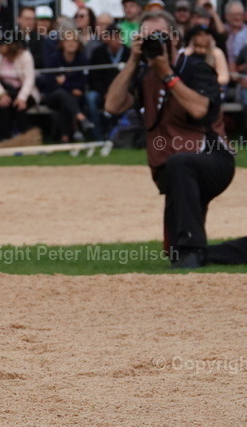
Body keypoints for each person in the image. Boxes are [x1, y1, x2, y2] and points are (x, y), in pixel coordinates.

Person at [104, 9, 247, 269]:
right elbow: (112, 106)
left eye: (158, 36)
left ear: (175, 38)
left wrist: (167, 73)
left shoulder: (196, 68)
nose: (152, 42)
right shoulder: (143, 75)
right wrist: (133, 61)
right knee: (174, 252)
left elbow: (199, 110)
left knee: (181, 165)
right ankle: (208, 251)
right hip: (172, 168)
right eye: (145, 37)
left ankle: (192, 249)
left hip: (212, 159)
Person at [88, 23, 130, 139]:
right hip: (102, 91)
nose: (116, 40)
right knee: (91, 98)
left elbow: (132, 77)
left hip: (124, 91)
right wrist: (105, 93)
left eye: (118, 37)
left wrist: (118, 93)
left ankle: (123, 134)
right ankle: (98, 136)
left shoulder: (129, 53)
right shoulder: (98, 53)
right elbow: (94, 77)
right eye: (113, 37)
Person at [0, 34, 38, 141]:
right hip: (4, 91)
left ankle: (26, 136)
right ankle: (4, 137)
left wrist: (22, 98)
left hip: (26, 92)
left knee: (18, 107)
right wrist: (1, 94)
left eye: (1, 45)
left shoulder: (25, 56)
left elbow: (29, 79)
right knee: (4, 105)